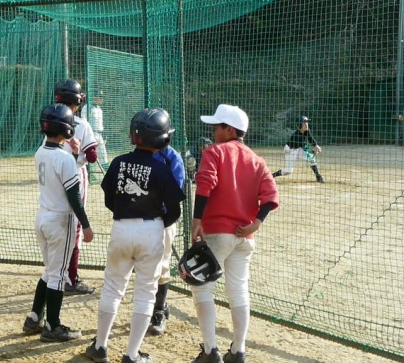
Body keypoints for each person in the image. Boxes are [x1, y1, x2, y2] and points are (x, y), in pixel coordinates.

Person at [85, 108, 185, 363]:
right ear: (163, 138)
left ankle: (100, 346)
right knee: (145, 292)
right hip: (152, 230)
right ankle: (131, 355)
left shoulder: (118, 162)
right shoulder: (162, 169)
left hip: (121, 228)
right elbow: (175, 209)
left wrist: (126, 213)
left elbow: (109, 199)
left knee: (112, 287)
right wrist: (158, 224)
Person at [189, 104, 279, 363]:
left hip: (217, 233)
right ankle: (238, 351)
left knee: (202, 288)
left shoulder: (214, 151)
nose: (213, 132)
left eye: (217, 127)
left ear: (229, 130)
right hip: (244, 236)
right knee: (238, 291)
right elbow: (271, 196)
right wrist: (257, 223)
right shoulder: (256, 160)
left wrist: (197, 220)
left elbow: (205, 183)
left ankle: (210, 351)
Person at [22, 103, 94, 342]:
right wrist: (86, 225)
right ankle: (52, 326)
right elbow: (73, 196)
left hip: (43, 217)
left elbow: (58, 172)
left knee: (50, 271)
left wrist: (72, 155)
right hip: (60, 221)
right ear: (66, 129)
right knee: (59, 276)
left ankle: (34, 318)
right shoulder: (64, 159)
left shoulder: (40, 151)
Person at [51, 80, 98, 296]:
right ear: (77, 101)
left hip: (53, 175)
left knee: (57, 223)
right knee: (76, 227)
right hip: (75, 174)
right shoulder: (81, 123)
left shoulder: (51, 120)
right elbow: (92, 156)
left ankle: (56, 273)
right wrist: (83, 152)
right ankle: (71, 277)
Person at [148, 144, 185, 336]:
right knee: (144, 266)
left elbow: (175, 191)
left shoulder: (172, 157)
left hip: (164, 220)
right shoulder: (141, 153)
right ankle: (154, 305)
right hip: (141, 219)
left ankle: (159, 311)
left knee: (162, 265)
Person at [272, 115, 325, 183]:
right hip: (290, 150)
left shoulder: (306, 130)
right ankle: (272, 176)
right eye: (304, 123)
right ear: (299, 124)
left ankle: (318, 176)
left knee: (311, 158)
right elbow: (303, 146)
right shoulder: (296, 136)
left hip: (298, 148)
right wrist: (312, 151)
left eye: (307, 122)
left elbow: (310, 138)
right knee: (288, 171)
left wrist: (316, 146)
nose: (306, 124)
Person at [82, 89, 108, 167]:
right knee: (89, 156)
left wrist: (104, 135)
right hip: (91, 134)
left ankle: (106, 172)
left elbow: (101, 124)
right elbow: (84, 122)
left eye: (102, 97)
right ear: (94, 97)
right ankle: (89, 172)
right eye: (99, 97)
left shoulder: (99, 109)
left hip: (99, 135)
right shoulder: (86, 107)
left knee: (103, 157)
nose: (101, 99)